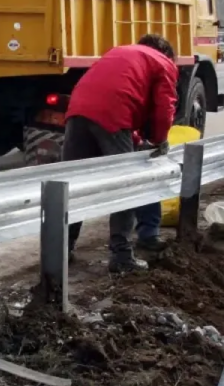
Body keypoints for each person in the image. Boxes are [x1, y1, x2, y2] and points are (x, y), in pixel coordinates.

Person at [61, 34, 178, 273]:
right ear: (167, 54)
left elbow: (120, 93)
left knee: (73, 185)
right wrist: (159, 140)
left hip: (78, 110)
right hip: (114, 113)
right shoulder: (163, 62)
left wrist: (136, 138)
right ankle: (121, 256)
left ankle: (62, 249)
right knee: (126, 185)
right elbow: (164, 107)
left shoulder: (119, 52)